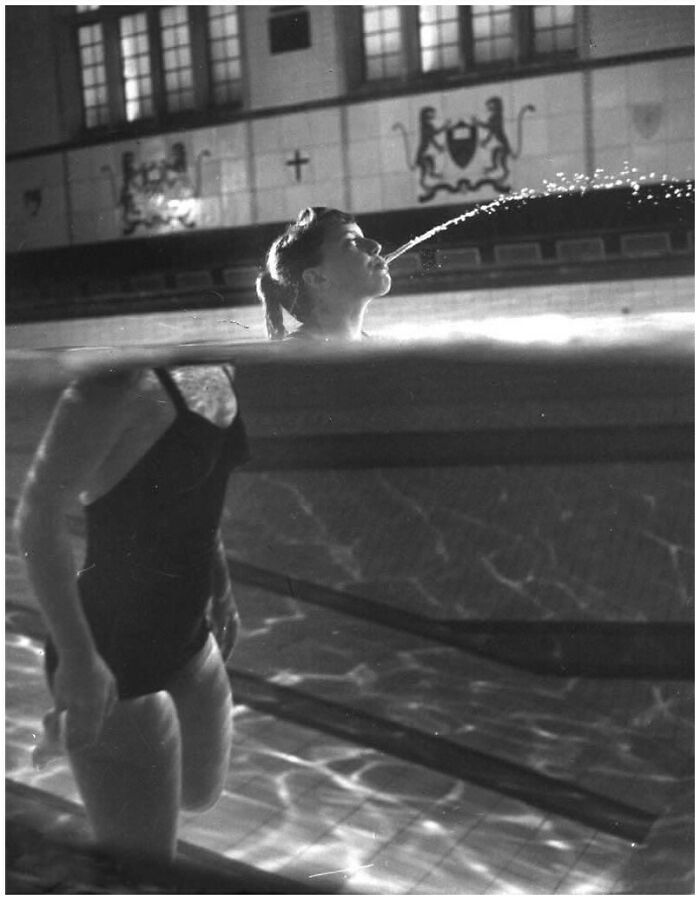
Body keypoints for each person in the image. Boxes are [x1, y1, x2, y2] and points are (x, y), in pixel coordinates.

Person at [14, 360, 249, 862]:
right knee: (142, 869)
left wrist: (222, 589)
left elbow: (198, 497)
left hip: (187, 629)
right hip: (110, 648)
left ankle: (74, 742)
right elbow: (37, 518)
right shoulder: (110, 387)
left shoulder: (221, 360)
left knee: (200, 794)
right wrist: (79, 661)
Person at [256, 206, 392, 341]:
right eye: (351, 242)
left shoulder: (373, 345)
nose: (375, 246)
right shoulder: (297, 355)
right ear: (317, 279)